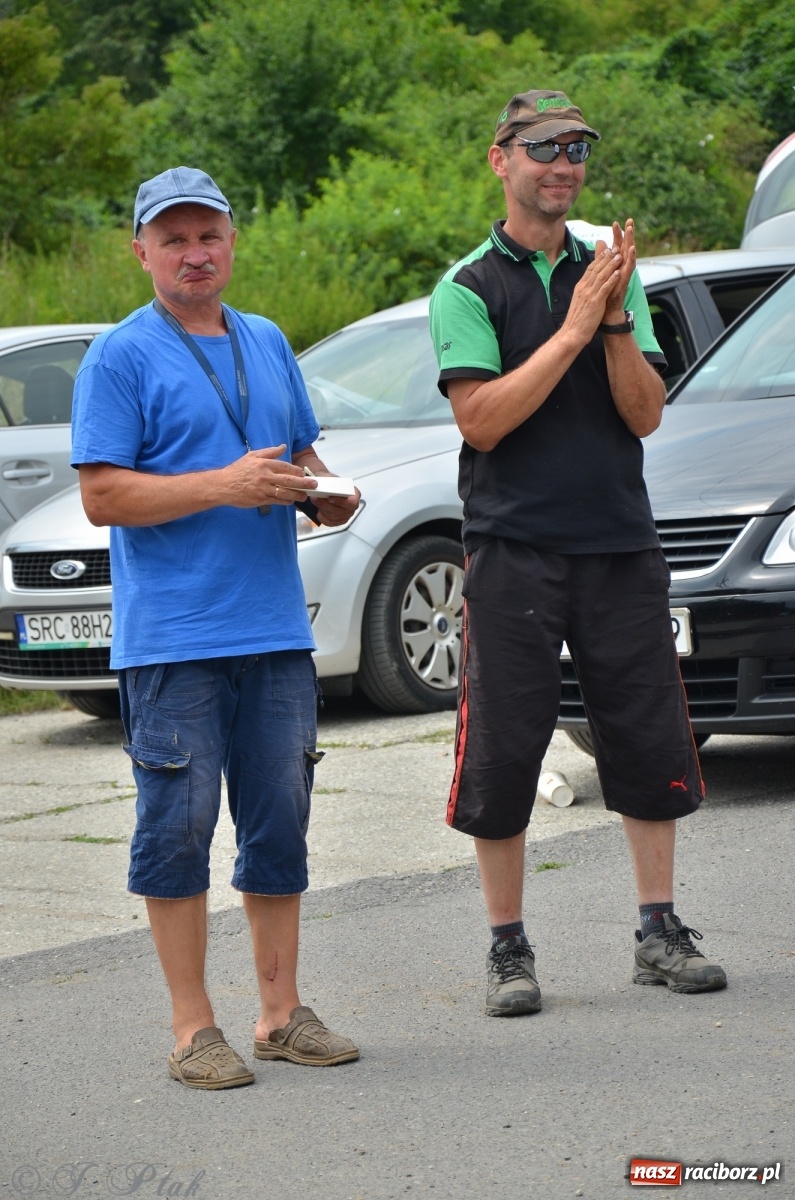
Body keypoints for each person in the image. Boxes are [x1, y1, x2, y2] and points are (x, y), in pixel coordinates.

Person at [429, 91, 727, 1017]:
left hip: (617, 542)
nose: (563, 164)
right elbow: (480, 419)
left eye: (578, 150)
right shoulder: (468, 286)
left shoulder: (611, 274)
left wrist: (606, 319)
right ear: (500, 159)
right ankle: (507, 949)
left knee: (646, 734)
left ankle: (658, 932)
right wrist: (567, 328)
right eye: (544, 148)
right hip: (514, 548)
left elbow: (643, 413)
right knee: (505, 747)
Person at [71, 166, 361, 1087]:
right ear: (143, 251)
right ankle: (193, 1028)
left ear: (232, 241)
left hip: (275, 629)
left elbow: (301, 453)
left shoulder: (268, 338)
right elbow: (101, 496)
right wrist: (223, 485)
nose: (195, 254)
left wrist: (325, 494)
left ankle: (280, 1014)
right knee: (177, 827)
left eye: (210, 236)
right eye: (174, 239)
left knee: (279, 824)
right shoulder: (120, 356)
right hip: (174, 640)